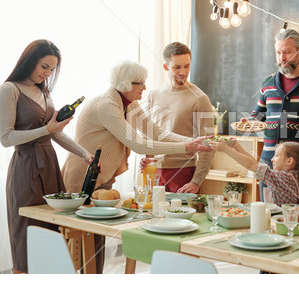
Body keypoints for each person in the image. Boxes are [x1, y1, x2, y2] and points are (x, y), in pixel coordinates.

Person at [61, 60, 210, 273]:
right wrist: (186, 145)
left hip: (104, 176)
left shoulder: (128, 103)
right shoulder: (108, 105)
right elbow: (137, 143)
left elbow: (155, 132)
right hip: (83, 176)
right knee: (80, 240)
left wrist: (192, 142)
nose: (145, 88)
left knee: (96, 239)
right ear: (124, 84)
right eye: (140, 83)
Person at [0, 40, 94, 274]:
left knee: (53, 229)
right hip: (25, 168)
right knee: (26, 233)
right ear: (29, 61)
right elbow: (6, 138)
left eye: (52, 69)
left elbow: (56, 132)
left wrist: (84, 154)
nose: (47, 73)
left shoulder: (44, 91)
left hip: (50, 166)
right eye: (44, 66)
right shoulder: (10, 89)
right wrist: (47, 130)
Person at [249, 29, 299, 207]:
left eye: (287, 52)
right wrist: (251, 123)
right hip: (270, 163)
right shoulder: (268, 83)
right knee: (268, 214)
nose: (282, 58)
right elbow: (258, 115)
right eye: (278, 53)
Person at [145, 42, 214, 193]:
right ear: (166, 67)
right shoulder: (153, 95)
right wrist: (147, 159)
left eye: (187, 66)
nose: (183, 72)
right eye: (177, 67)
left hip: (183, 173)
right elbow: (149, 134)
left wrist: (196, 182)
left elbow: (208, 145)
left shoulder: (200, 98)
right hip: (154, 172)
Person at [210, 140, 299, 206]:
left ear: (289, 161)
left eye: (277, 155)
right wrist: (237, 146)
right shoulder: (287, 176)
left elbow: (251, 165)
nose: (272, 159)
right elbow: (255, 164)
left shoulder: (283, 178)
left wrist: (225, 149)